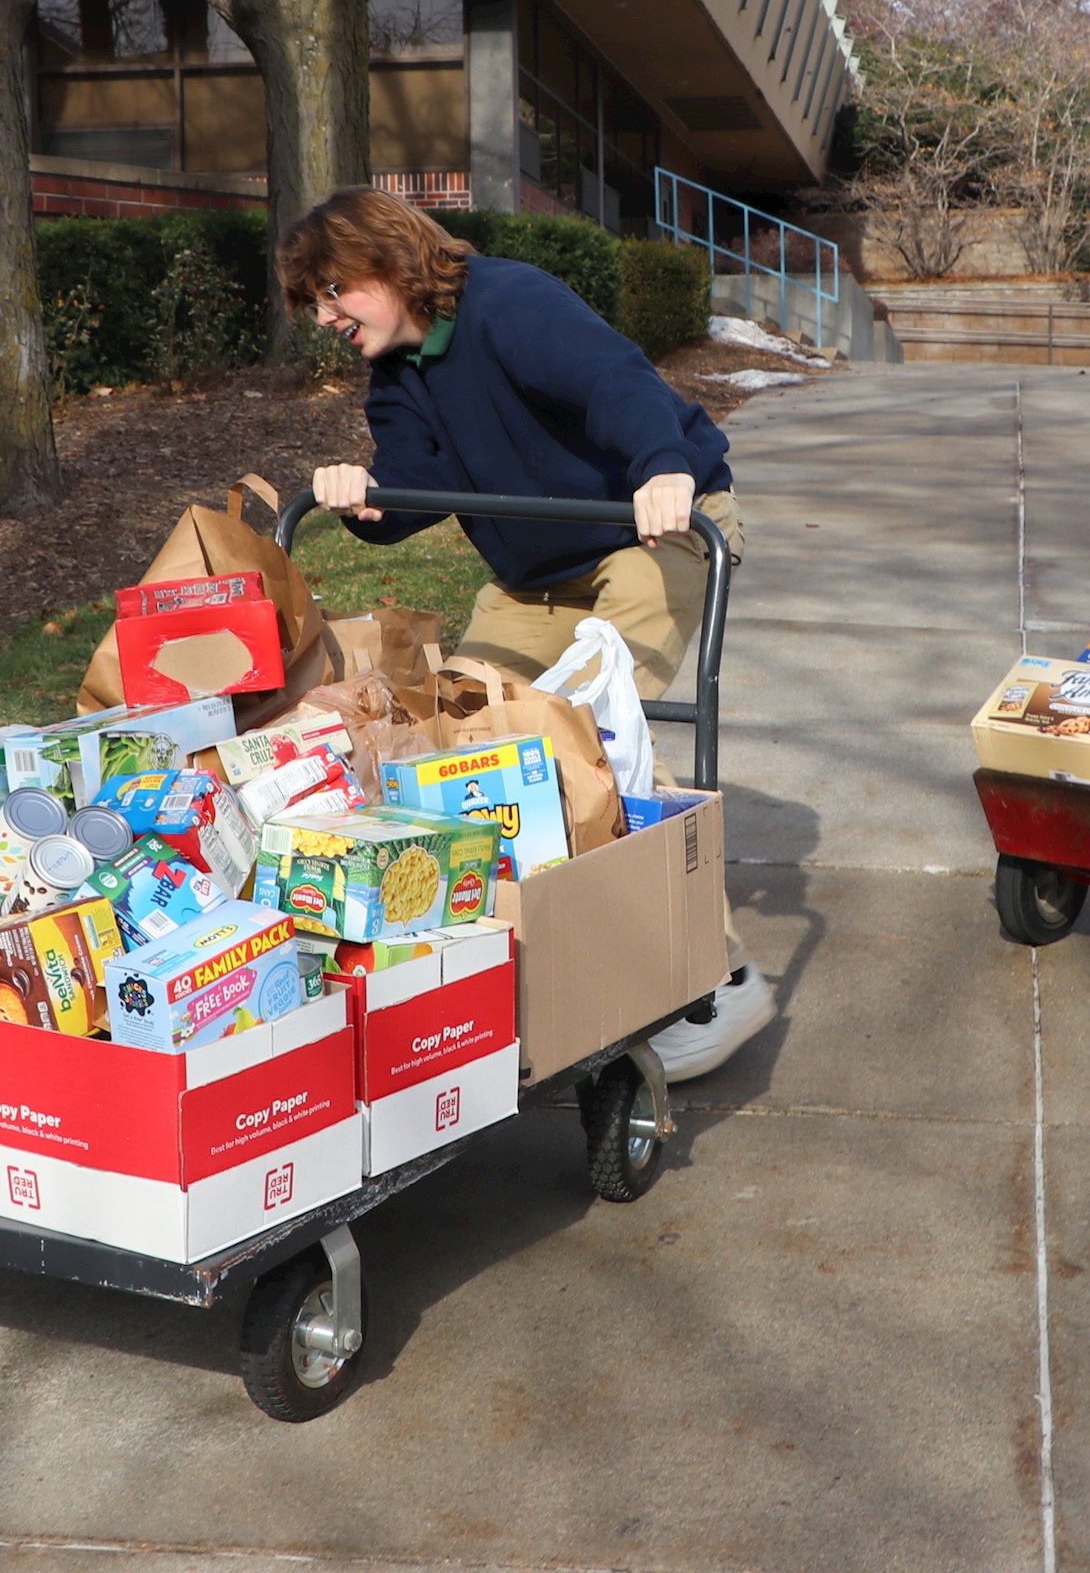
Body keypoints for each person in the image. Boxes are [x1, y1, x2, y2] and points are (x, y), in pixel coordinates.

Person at [285, 187, 770, 1076]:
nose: (324, 317)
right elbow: (411, 482)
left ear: (386, 265)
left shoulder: (510, 302)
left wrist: (662, 469)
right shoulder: (398, 373)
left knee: (585, 730)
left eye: (332, 292)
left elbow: (614, 382)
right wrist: (362, 497)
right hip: (533, 578)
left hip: (650, 533)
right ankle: (508, 947)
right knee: (460, 731)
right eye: (316, 303)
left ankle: (721, 973)